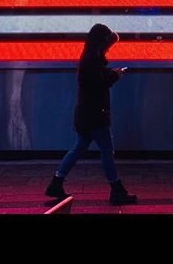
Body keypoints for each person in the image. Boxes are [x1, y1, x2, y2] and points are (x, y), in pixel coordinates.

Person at [45, 23, 137, 206]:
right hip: (95, 115)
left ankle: (56, 182)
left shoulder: (90, 59)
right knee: (106, 152)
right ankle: (116, 190)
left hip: (86, 114)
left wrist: (110, 74)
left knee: (79, 147)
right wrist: (114, 76)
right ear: (100, 42)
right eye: (107, 44)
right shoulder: (92, 60)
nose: (108, 48)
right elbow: (98, 84)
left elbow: (94, 81)